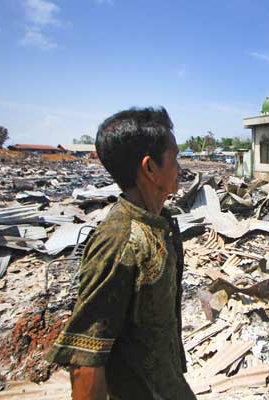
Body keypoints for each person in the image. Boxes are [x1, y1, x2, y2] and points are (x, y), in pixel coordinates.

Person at [46, 108, 196, 400]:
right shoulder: (119, 240)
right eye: (174, 158)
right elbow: (86, 361)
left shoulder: (158, 222)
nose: (180, 167)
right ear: (150, 168)